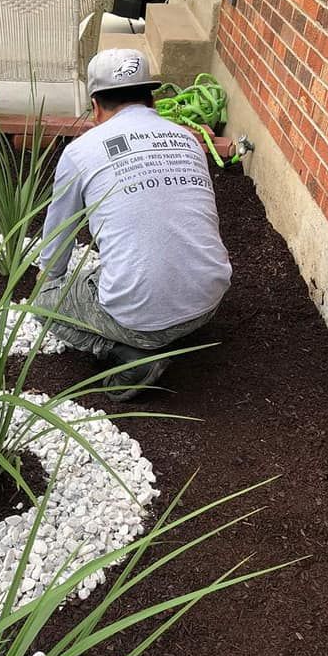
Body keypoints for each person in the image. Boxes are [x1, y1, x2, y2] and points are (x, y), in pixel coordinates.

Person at [37, 48, 232, 400]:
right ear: (151, 97)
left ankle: (129, 355)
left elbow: (57, 246)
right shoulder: (187, 139)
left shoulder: (81, 151)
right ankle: (160, 332)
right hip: (207, 302)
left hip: (141, 319)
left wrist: (46, 285)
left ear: (95, 105)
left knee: (43, 304)